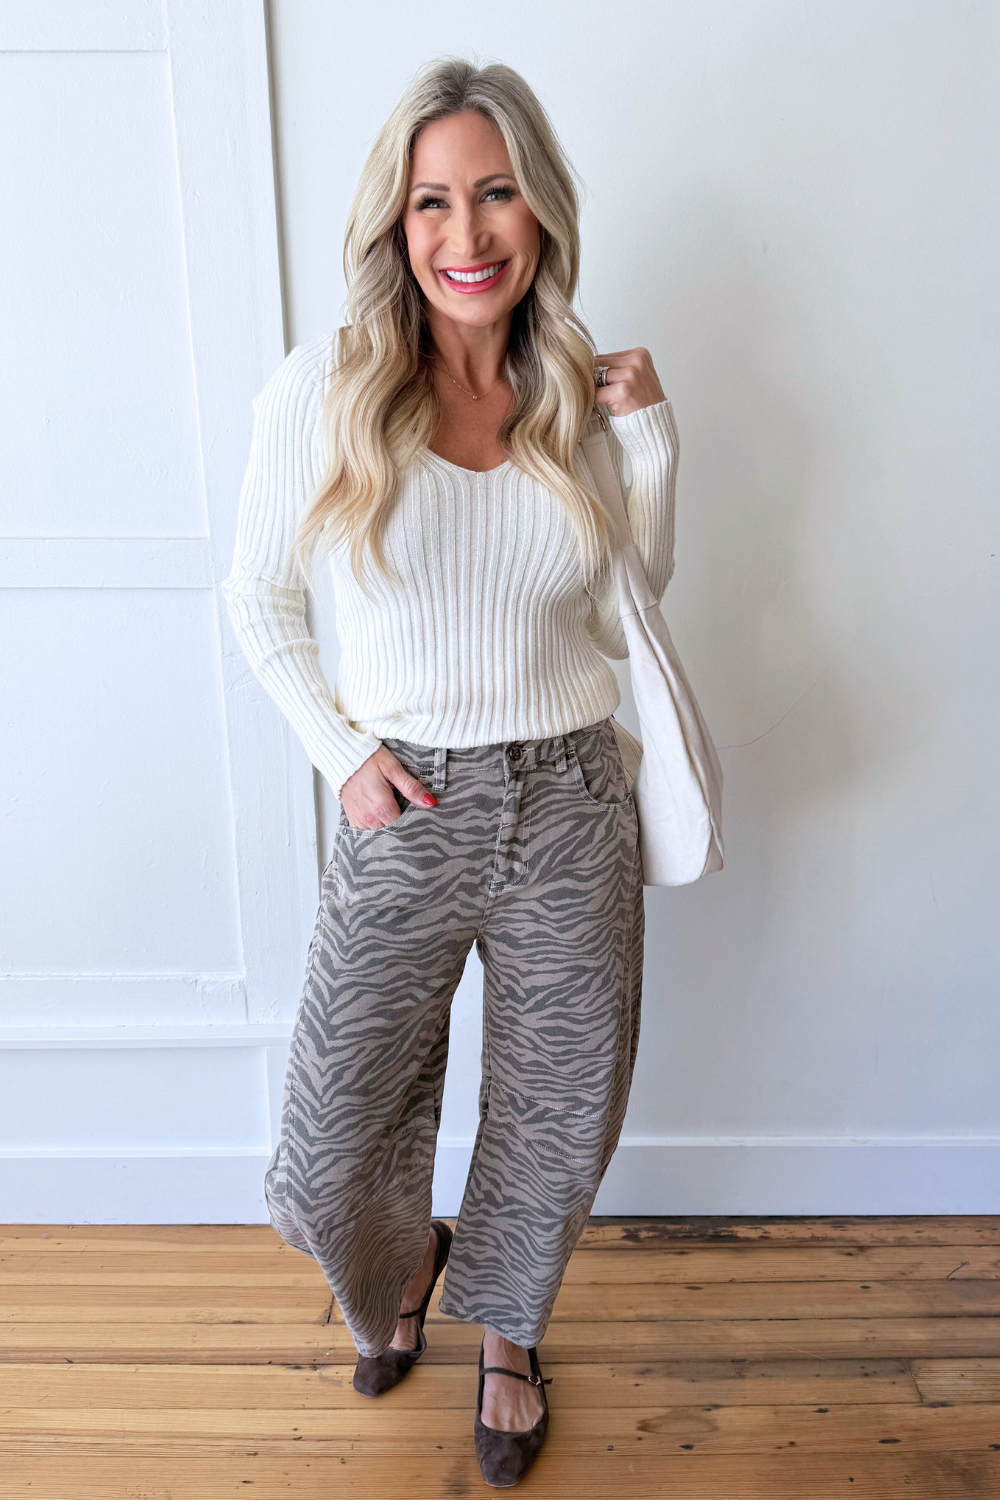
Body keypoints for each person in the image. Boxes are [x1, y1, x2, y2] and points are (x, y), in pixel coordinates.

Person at [224, 57, 677, 1489]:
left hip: (572, 798)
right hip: (404, 796)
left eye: (496, 194)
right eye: (432, 201)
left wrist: (647, 438)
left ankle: (511, 1338)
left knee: (559, 1102)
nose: (466, 234)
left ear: (541, 212)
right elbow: (257, 599)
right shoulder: (328, 388)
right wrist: (344, 754)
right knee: (326, 1144)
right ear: (395, 219)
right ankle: (402, 1263)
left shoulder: (572, 390)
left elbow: (633, 599)